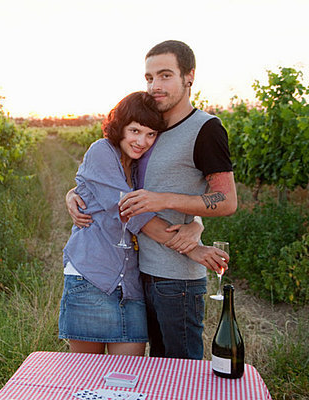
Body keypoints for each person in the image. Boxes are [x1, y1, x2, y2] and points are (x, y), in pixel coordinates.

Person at [66, 40, 237, 360]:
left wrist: (184, 217)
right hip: (136, 274)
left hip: (176, 280)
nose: (155, 85)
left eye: (165, 75)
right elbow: (121, 193)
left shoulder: (206, 129)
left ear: (189, 76)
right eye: (149, 77)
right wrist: (75, 193)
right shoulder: (152, 128)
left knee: (180, 374)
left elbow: (225, 201)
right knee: (153, 373)